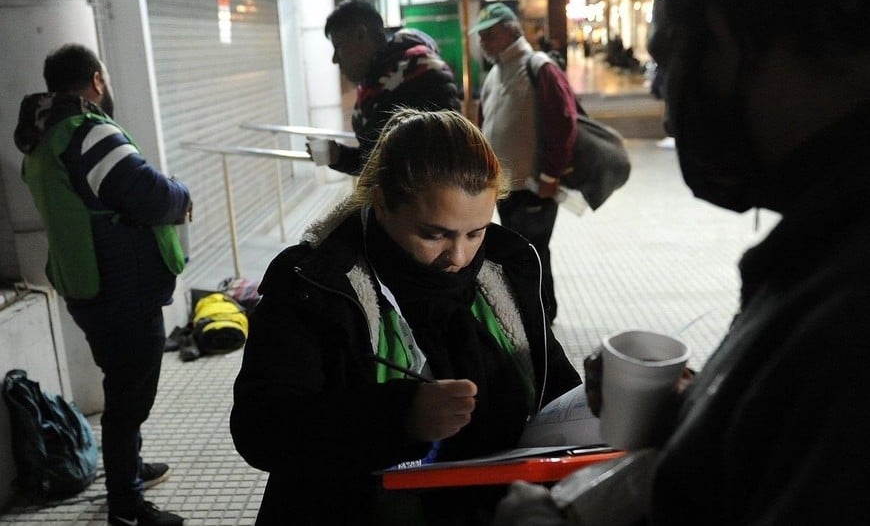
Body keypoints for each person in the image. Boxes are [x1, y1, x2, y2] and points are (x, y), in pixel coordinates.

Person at [494, 0, 870, 524]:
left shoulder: (846, 320)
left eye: (664, 57)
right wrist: (693, 409)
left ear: (723, 40)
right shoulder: (823, 246)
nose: (661, 96)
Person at [230, 108, 582, 525]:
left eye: (476, 232)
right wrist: (397, 417)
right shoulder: (314, 284)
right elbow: (261, 428)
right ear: (382, 203)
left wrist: (600, 402)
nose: (458, 256)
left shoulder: (507, 271)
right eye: (434, 234)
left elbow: (555, 389)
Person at [14, 44, 190, 526]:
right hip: (122, 288)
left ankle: (128, 470)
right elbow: (151, 197)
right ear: (95, 80)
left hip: (88, 285)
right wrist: (183, 194)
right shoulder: (89, 133)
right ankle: (127, 506)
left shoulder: (43, 138)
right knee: (129, 400)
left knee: (122, 387)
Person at [471, 2, 578, 325]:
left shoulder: (538, 66)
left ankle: (541, 317)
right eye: (482, 36)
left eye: (491, 35)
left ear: (512, 31)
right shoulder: (495, 73)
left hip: (534, 185)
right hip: (507, 186)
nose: (484, 42)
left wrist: (550, 175)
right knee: (522, 253)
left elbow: (564, 121)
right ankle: (535, 313)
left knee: (531, 254)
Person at [316, 0, 461, 175]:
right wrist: (338, 156)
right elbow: (378, 163)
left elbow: (446, 160)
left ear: (361, 35)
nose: (335, 59)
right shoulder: (372, 89)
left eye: (338, 47)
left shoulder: (423, 73)